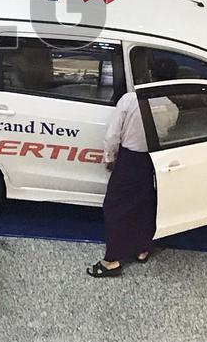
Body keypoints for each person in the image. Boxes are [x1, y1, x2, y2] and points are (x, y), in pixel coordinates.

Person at [87, 58, 180, 278]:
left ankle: (112, 260)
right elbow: (166, 134)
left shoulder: (130, 100)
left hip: (129, 160)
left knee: (115, 207)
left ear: (150, 74)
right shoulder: (172, 108)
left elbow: (113, 135)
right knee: (145, 206)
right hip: (151, 162)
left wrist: (109, 157)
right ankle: (142, 249)